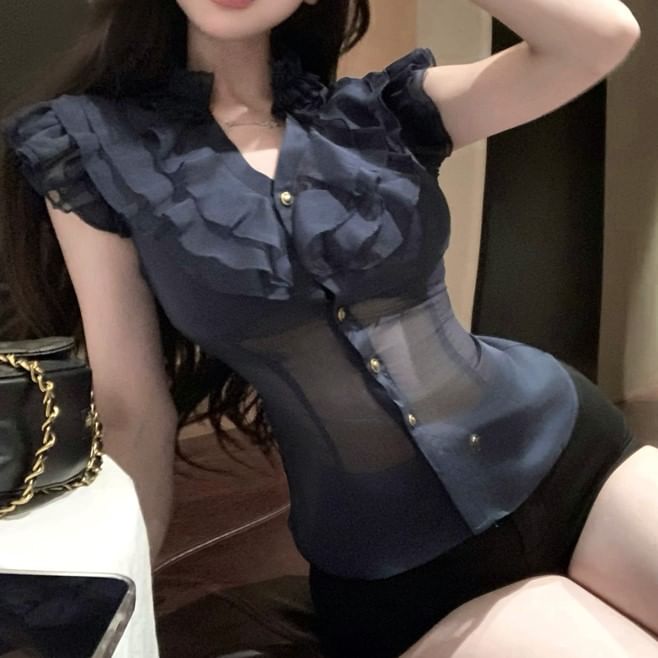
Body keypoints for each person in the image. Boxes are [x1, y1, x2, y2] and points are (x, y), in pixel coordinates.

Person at [1, 0, 655, 656]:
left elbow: (601, 36)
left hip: (571, 459)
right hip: (397, 567)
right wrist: (118, 615)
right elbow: (133, 410)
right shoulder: (95, 147)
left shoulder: (383, 113)